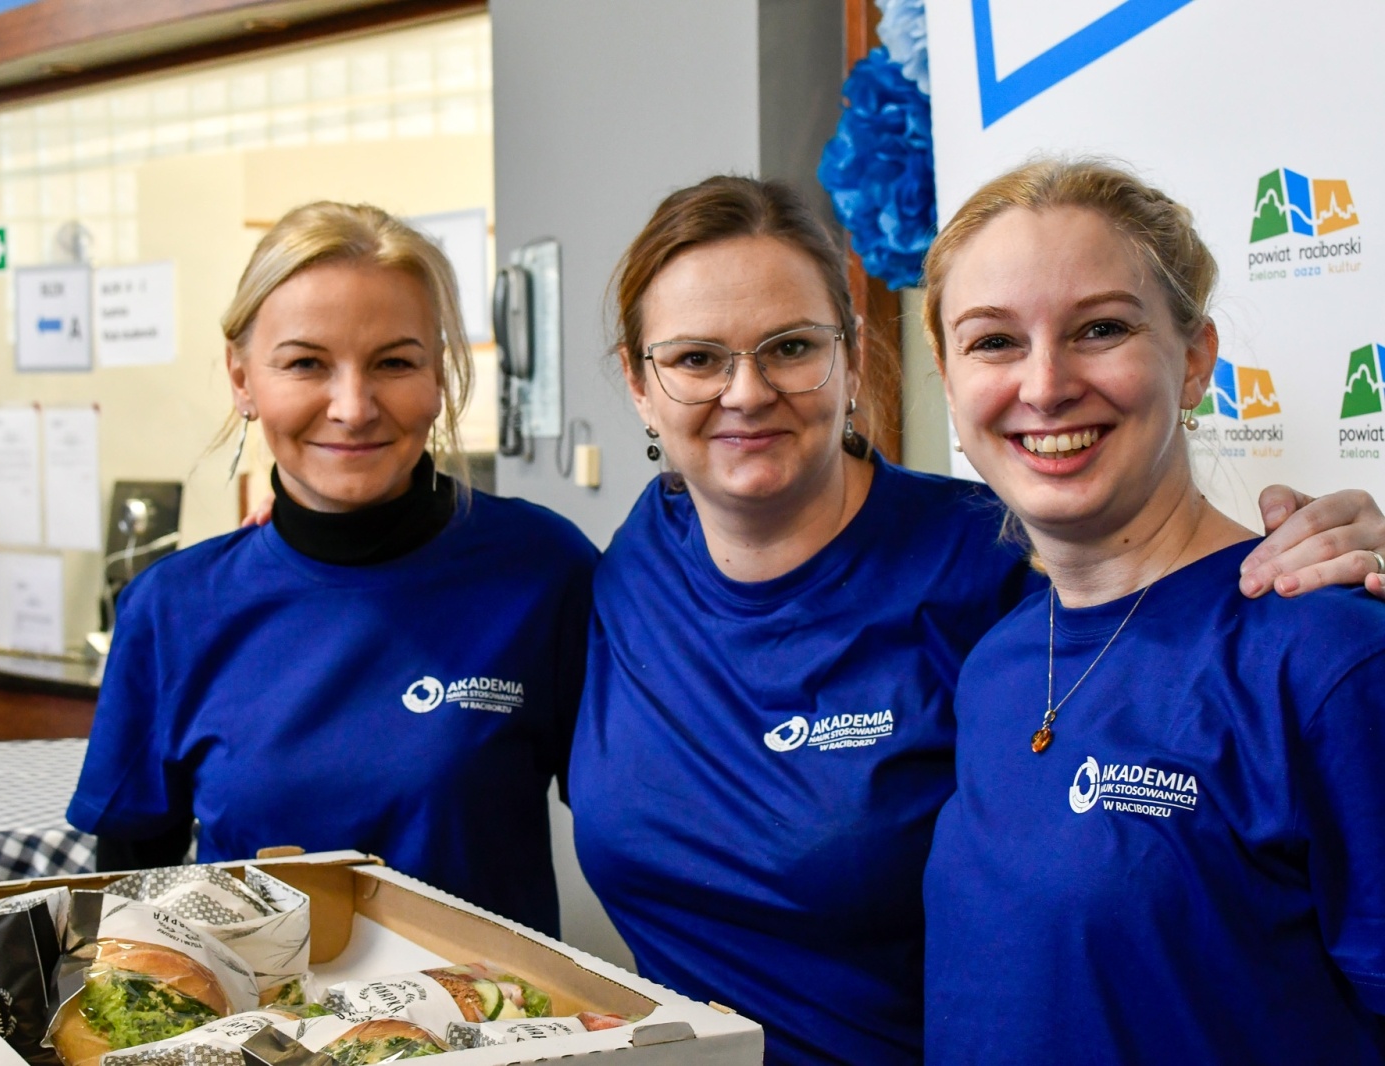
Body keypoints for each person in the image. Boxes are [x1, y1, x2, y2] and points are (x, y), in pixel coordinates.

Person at [566, 175, 1385, 1066]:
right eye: (695, 359)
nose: (747, 392)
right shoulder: (1001, 659)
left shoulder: (1299, 647)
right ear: (639, 383)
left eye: (1100, 329)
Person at [921, 160, 1385, 1063]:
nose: (1045, 385)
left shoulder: (1325, 658)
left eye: (1101, 328)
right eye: (994, 342)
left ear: (1196, 359)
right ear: (947, 376)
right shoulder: (999, 663)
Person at [67, 201, 597, 937]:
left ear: (439, 375)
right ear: (242, 379)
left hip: (493, 1008)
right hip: (260, 1011)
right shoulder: (173, 609)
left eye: (394, 362)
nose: (353, 408)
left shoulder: (543, 572)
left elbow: (647, 825)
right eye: (306, 364)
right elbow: (126, 900)